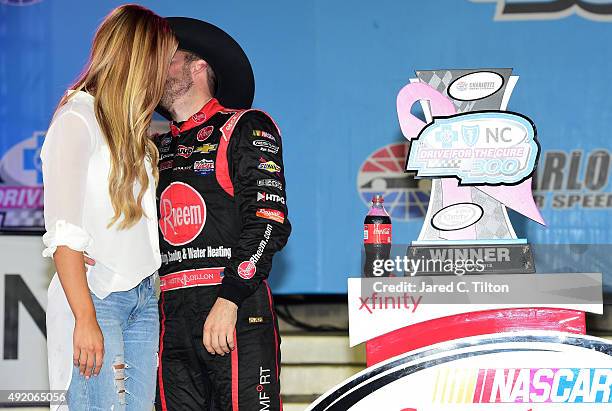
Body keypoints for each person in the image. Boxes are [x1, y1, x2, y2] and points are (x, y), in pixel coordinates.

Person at [41, 5, 177, 410]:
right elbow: (63, 232)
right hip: (98, 298)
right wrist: (85, 318)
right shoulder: (76, 120)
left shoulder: (133, 132)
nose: (168, 72)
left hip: (142, 298)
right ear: (139, 60)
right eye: (163, 61)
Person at [154, 17, 291, 411]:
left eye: (166, 60)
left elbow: (269, 220)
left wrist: (229, 300)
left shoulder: (244, 126)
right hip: (169, 317)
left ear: (198, 67)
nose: (153, 70)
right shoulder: (155, 148)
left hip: (233, 308)